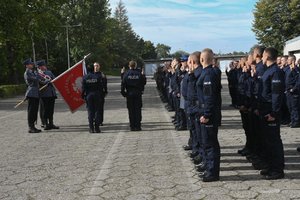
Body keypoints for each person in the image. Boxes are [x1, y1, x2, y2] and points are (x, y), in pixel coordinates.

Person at [259, 47, 285, 180]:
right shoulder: (268, 71)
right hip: (265, 110)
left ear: (267, 57)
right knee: (268, 141)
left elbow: (276, 94)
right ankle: (270, 166)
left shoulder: (275, 72)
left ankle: (277, 170)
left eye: (262, 56)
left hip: (271, 111)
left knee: (274, 141)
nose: (261, 58)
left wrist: (274, 113)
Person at [196, 48, 220, 182]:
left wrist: (207, 114)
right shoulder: (207, 72)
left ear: (202, 59)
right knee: (207, 143)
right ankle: (208, 168)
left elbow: (209, 97)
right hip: (206, 113)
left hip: (209, 115)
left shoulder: (208, 74)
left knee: (211, 144)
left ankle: (212, 173)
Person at [121, 61, 146, 131]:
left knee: (131, 110)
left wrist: (124, 94)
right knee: (138, 110)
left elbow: (123, 84)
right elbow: (144, 83)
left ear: (129, 66)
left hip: (129, 94)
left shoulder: (126, 74)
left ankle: (132, 126)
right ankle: (138, 126)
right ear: (135, 65)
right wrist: (143, 75)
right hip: (138, 94)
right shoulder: (139, 73)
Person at [37, 60, 59, 130]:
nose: (45, 66)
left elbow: (55, 79)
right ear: (40, 67)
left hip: (51, 93)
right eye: (43, 65)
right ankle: (45, 123)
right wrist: (46, 82)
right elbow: (39, 82)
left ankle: (51, 123)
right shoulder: (37, 74)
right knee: (45, 110)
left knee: (51, 109)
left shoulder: (49, 72)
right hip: (44, 94)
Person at [82, 65, 104, 133]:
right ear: (93, 69)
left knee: (90, 111)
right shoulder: (97, 77)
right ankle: (97, 128)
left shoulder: (85, 77)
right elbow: (101, 87)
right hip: (96, 95)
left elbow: (83, 88)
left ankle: (91, 128)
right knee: (97, 111)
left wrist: (83, 96)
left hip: (89, 95)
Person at [23, 58, 42, 133]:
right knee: (31, 111)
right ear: (27, 65)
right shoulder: (27, 72)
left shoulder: (32, 72)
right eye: (30, 64)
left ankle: (33, 126)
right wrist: (38, 73)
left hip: (35, 93)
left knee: (34, 110)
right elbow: (35, 79)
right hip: (31, 93)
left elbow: (39, 79)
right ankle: (30, 127)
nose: (32, 65)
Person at [285, 55, 300, 128]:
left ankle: (296, 122)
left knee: (294, 107)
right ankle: (292, 120)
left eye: (289, 59)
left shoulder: (296, 69)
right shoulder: (288, 69)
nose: (287, 61)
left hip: (294, 92)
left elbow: (298, 81)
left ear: (293, 61)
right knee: (290, 107)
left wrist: (293, 89)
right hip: (288, 91)